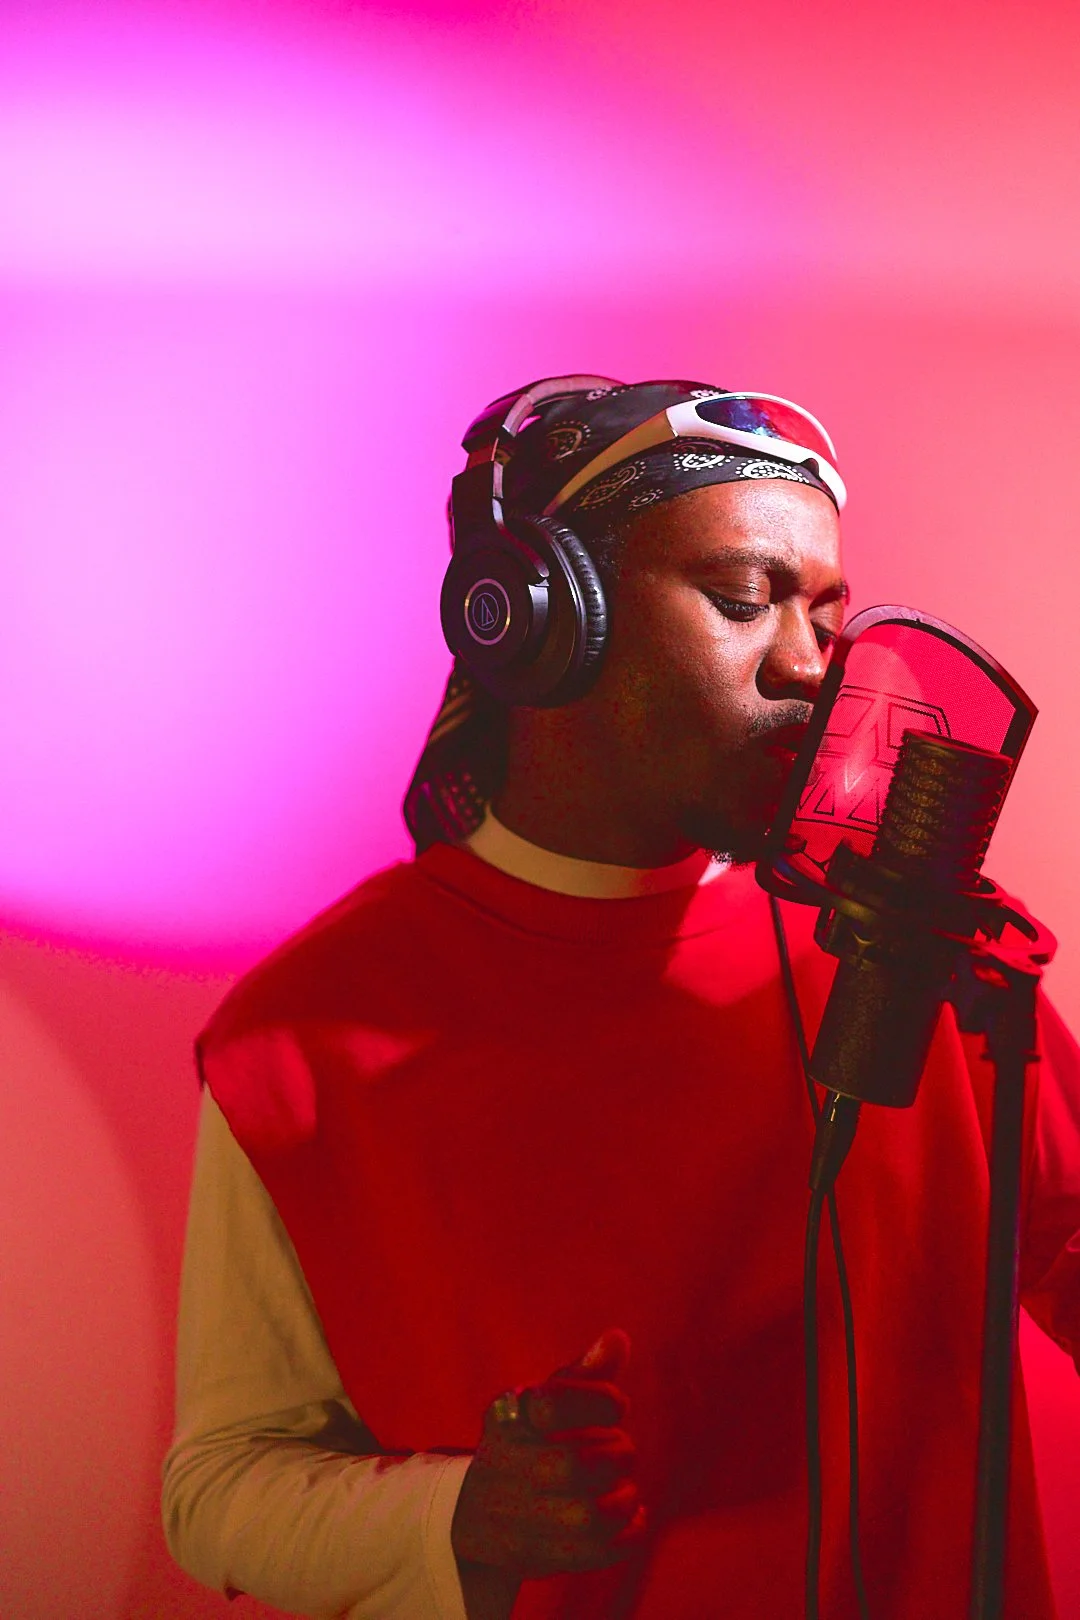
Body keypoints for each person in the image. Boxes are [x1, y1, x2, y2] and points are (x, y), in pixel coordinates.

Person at [162, 377, 1080, 1620]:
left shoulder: (915, 943)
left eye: (827, 615)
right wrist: (462, 1514)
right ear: (547, 626)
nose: (811, 667)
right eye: (744, 599)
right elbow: (220, 1483)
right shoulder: (302, 1039)